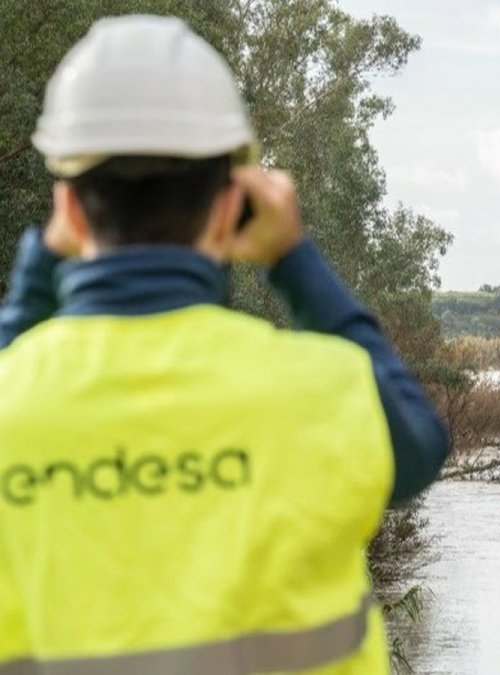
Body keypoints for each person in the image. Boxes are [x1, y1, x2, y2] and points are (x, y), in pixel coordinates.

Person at [0, 15, 448, 674]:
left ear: (69, 211)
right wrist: (294, 259)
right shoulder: (320, 388)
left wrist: (37, 268)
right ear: (230, 205)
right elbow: (418, 448)